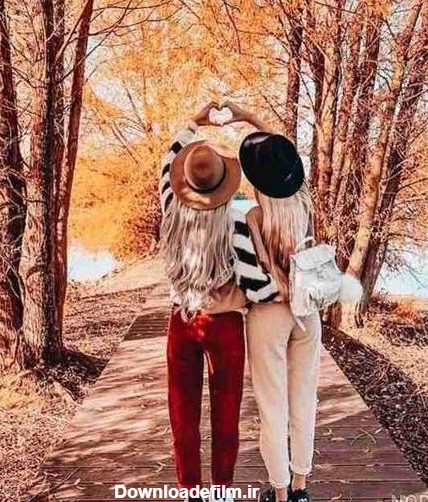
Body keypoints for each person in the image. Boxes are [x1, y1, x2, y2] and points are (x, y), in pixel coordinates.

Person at [159, 102, 279, 502]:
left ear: (185, 180)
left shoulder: (171, 207)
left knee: (182, 416)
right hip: (224, 326)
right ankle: (221, 492)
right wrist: (249, 118)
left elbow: (167, 161)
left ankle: (190, 493)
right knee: (226, 416)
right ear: (224, 182)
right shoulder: (235, 223)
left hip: (181, 321)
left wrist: (195, 120)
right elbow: (254, 283)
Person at [229, 102, 321, 502]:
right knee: (304, 400)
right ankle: (301, 488)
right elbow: (282, 152)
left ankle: (280, 494)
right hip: (307, 311)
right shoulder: (303, 202)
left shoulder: (251, 216)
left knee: (272, 405)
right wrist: (251, 119)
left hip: (269, 313)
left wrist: (239, 117)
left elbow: (251, 273)